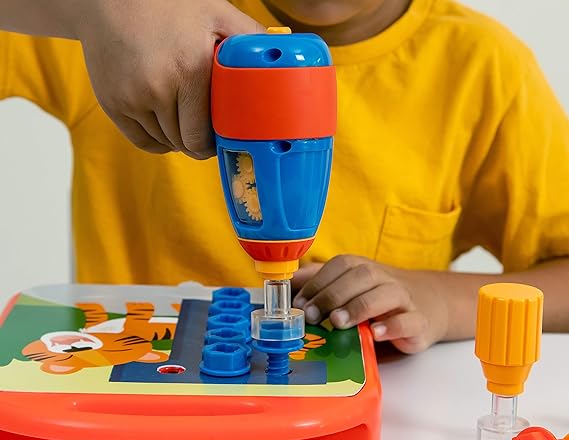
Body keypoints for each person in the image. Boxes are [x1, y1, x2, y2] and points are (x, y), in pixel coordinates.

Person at [1, 0, 569, 354]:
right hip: (135, 425)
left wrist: (442, 301)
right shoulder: (150, 25)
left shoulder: (482, 70)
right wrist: (100, 11)